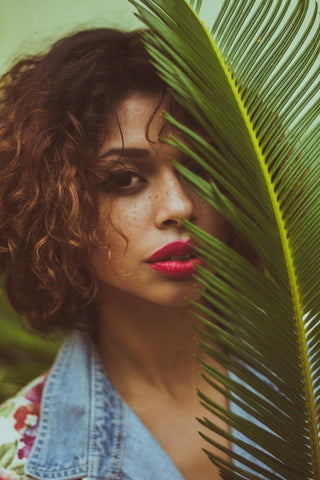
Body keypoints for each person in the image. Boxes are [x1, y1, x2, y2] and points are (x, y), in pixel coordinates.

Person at [0, 28, 262, 480]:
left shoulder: (309, 379)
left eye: (201, 169)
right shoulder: (17, 454)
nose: (179, 206)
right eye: (124, 179)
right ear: (53, 205)